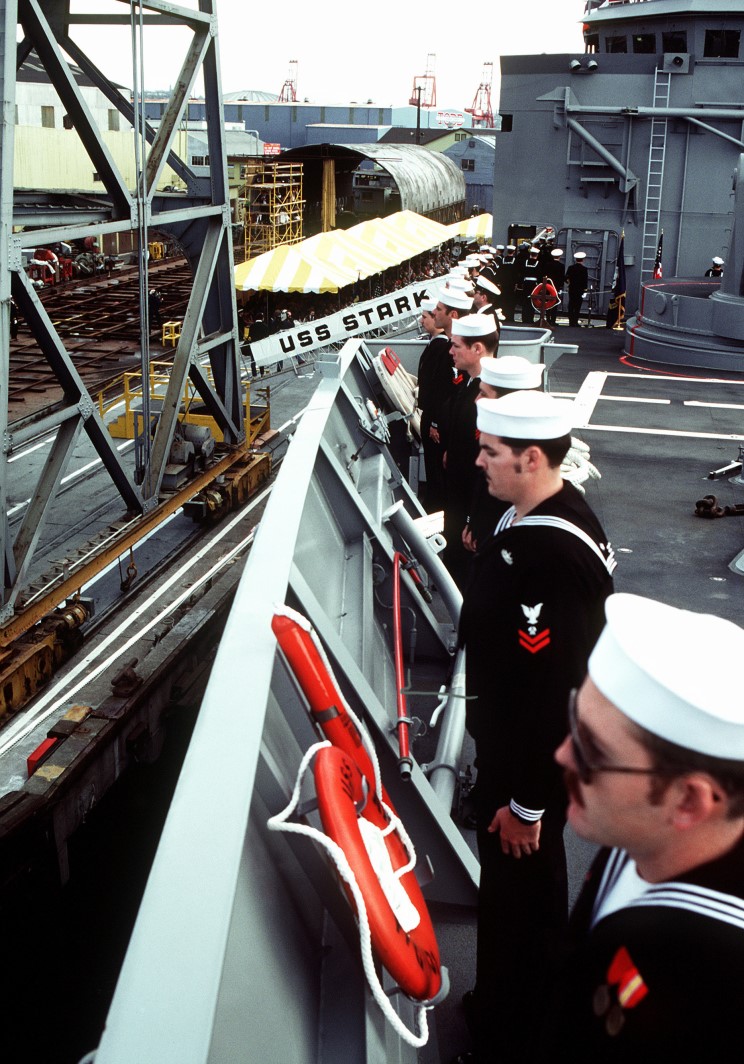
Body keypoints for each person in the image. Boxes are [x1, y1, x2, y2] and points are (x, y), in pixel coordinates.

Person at [457, 390, 616, 1063]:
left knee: (519, 914)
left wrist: (526, 805)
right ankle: (512, 1011)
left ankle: (508, 1040)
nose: (479, 462)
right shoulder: (549, 516)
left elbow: (554, 692)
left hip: (525, 776)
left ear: (529, 458)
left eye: (490, 452)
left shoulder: (546, 556)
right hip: (518, 761)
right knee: (525, 906)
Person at [552, 593, 744, 1061]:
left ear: (687, 801)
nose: (561, 755)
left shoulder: (717, 973)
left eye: (591, 751)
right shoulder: (644, 829)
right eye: (574, 724)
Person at [441, 313, 498, 589]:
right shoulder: (471, 383)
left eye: (456, 345)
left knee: (466, 576)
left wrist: (475, 520)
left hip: (470, 505)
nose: (450, 351)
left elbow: (488, 468)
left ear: (477, 349)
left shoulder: (489, 395)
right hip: (459, 496)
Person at [416, 298, 453, 513]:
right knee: (433, 467)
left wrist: (435, 423)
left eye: (426, 316)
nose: (422, 321)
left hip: (434, 418)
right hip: (430, 415)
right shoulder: (437, 345)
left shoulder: (440, 348)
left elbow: (440, 389)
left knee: (436, 468)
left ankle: (434, 509)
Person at [565, 251, 589, 327]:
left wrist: (569, 283)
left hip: (572, 289)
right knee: (577, 306)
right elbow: (585, 280)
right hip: (580, 290)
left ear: (576, 259)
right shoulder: (584, 269)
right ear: (583, 259)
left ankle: (570, 322)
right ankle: (575, 322)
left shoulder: (570, 268)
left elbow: (566, 278)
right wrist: (585, 290)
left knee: (571, 305)